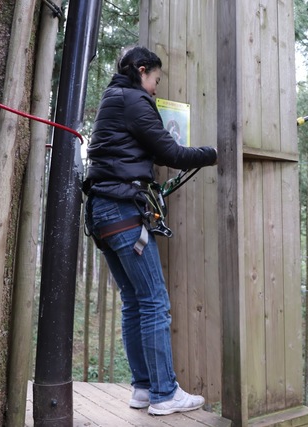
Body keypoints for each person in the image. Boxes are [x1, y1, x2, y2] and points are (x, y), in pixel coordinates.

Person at [82, 46, 217, 415]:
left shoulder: (115, 99)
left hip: (101, 212)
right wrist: (212, 153)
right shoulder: (134, 99)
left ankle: (143, 388)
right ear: (142, 71)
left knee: (134, 302)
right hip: (122, 210)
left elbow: (150, 151)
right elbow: (170, 153)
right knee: (155, 302)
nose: (156, 89)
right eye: (156, 79)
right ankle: (163, 393)